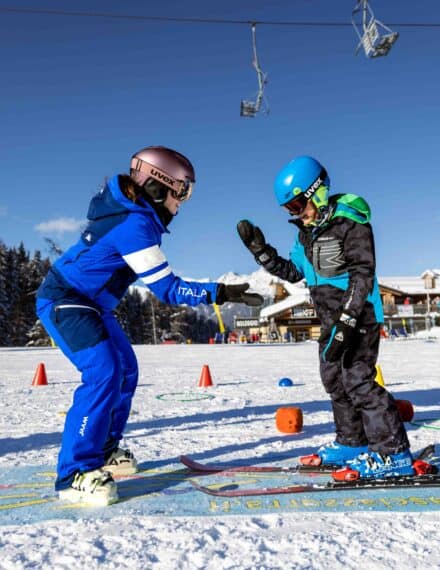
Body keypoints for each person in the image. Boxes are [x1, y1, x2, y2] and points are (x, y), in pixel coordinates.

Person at [36, 145, 263, 505]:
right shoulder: (135, 223)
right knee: (104, 373)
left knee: (126, 369)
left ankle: (106, 447)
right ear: (159, 185)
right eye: (182, 191)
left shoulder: (137, 217)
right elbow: (168, 289)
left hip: (92, 305)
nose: (182, 202)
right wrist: (218, 291)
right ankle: (74, 473)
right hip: (67, 300)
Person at [237, 155, 413, 479]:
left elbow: (363, 274)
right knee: (334, 381)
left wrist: (348, 320)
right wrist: (260, 251)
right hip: (331, 319)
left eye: (296, 205)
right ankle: (352, 442)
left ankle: (393, 452)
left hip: (359, 316)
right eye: (289, 210)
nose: (296, 214)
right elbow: (292, 272)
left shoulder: (350, 222)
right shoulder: (306, 235)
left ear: (316, 192)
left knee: (358, 381)